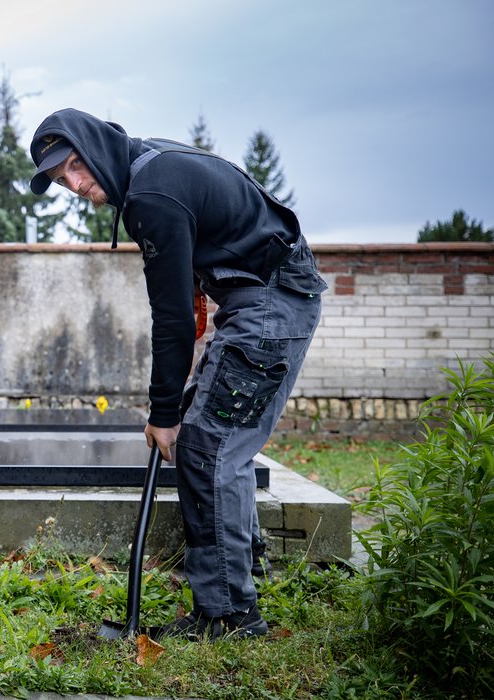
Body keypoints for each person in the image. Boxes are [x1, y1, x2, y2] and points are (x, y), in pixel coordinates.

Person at [29, 108, 326, 640]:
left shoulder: (150, 194)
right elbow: (188, 284)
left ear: (95, 145)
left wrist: (163, 414)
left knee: (207, 447)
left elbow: (167, 320)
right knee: (214, 440)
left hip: (271, 301)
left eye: (76, 165)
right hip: (258, 295)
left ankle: (231, 614)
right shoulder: (146, 165)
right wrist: (199, 309)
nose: (74, 184)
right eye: (60, 179)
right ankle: (244, 572)